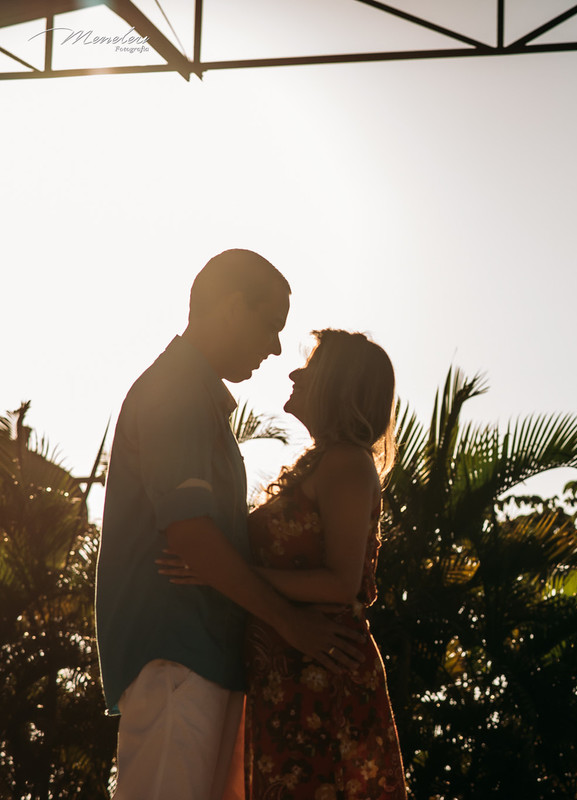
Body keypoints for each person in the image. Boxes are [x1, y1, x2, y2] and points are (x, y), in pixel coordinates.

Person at [96, 250, 364, 800]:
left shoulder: (199, 398)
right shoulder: (178, 391)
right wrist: (290, 623)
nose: (273, 348)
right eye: (270, 325)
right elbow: (192, 537)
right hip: (177, 652)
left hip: (203, 656)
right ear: (232, 307)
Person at [161, 329, 409, 799]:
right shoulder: (322, 464)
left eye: (311, 367)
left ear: (338, 384)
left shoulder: (347, 464)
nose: (295, 372)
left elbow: (341, 583)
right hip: (290, 671)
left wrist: (223, 570)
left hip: (320, 673)